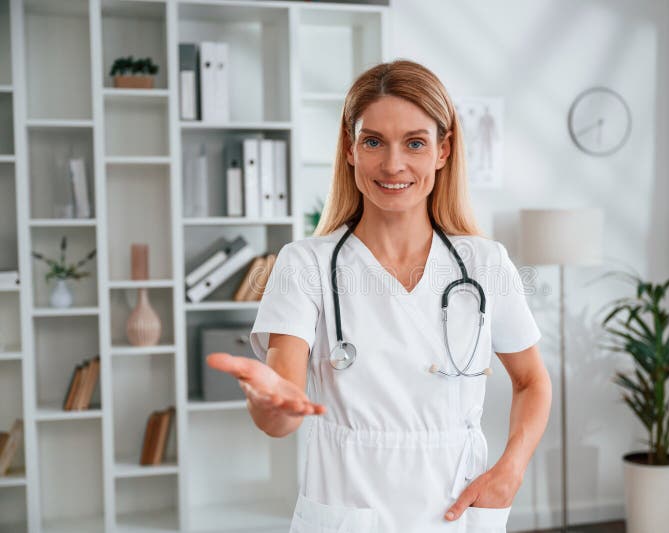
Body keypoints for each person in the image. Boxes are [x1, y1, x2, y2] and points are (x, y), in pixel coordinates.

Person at [206, 59, 552, 533]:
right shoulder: (304, 264)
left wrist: (511, 470)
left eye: (415, 142)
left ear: (443, 151)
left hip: (456, 511)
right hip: (348, 510)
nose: (393, 165)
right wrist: (271, 404)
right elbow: (282, 407)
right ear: (350, 150)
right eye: (373, 142)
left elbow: (532, 382)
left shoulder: (485, 263)